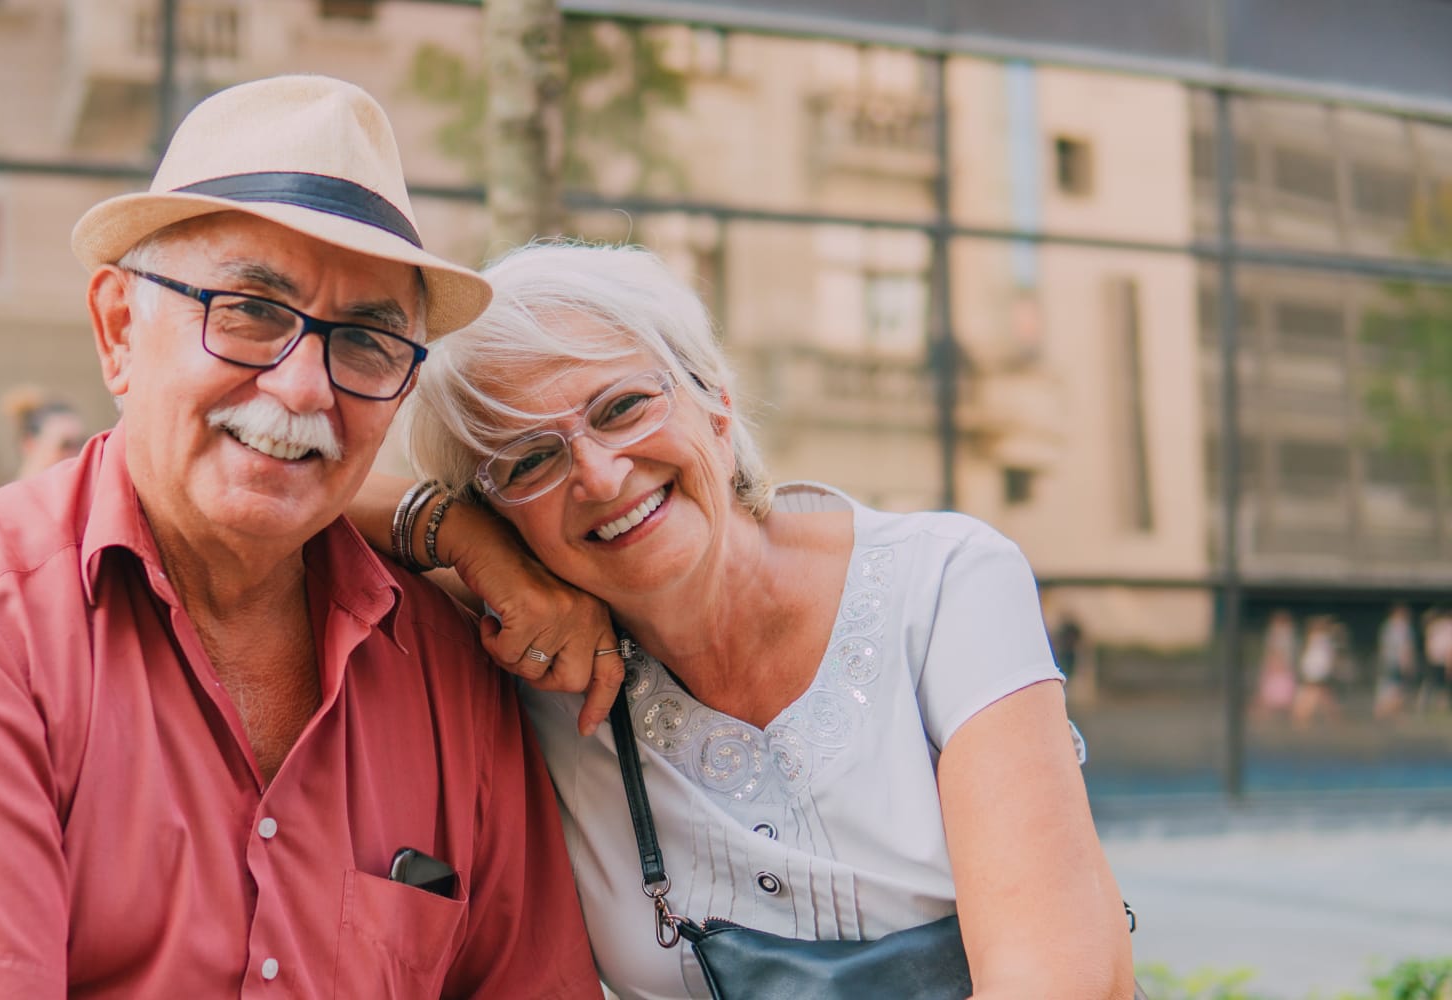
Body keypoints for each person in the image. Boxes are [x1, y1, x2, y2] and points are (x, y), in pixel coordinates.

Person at [0, 77, 599, 1000]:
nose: (303, 388)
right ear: (119, 328)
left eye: (365, 340)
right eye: (249, 311)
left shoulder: (451, 673)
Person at [352, 242, 1135, 999]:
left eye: (623, 407)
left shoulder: (944, 583)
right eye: (529, 462)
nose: (598, 474)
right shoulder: (530, 659)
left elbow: (1054, 978)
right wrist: (453, 532)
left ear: (716, 405)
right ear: (503, 520)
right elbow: (282, 501)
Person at [1, 386, 88, 482]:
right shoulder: (8, 496)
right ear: (29, 443)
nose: (79, 454)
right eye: (66, 445)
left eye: (82, 443)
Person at [1373, 603, 1417, 719]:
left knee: (1388, 689)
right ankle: (1390, 715)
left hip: (1387, 662)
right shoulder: (1402, 628)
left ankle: (1385, 714)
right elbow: (1405, 648)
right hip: (1397, 663)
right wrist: (1407, 664)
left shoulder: (1387, 626)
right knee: (1398, 690)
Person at [1253, 608, 1299, 719]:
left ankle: (1295, 716)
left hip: (1279, 668)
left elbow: (1278, 652)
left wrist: (1276, 664)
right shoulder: (1281, 634)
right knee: (1270, 694)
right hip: (1277, 668)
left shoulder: (1282, 634)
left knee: (1276, 694)